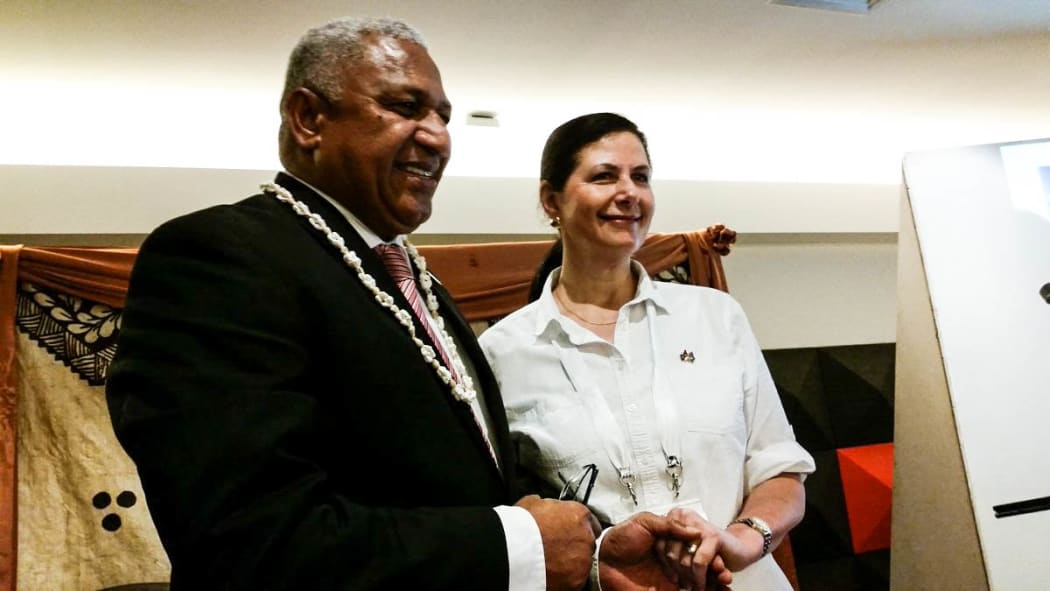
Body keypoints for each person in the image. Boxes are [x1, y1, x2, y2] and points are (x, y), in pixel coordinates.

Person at [105, 17, 724, 591]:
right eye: (405, 107)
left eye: (443, 116)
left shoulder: (409, 278)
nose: (437, 137)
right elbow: (246, 543)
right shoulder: (218, 258)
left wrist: (592, 552)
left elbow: (459, 486)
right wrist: (521, 546)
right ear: (308, 118)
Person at [478, 112, 817, 590]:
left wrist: (740, 540)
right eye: (604, 176)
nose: (629, 192)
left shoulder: (716, 317)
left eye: (640, 177)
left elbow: (779, 468)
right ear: (551, 199)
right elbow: (511, 518)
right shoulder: (500, 353)